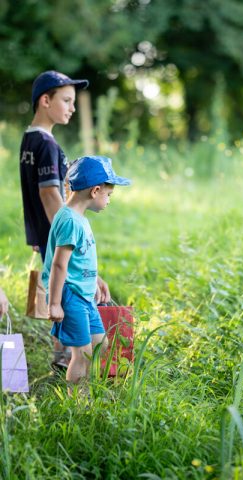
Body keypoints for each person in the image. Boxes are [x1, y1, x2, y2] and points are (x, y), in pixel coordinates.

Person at [19, 70, 110, 368]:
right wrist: (69, 229)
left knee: (55, 293)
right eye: (67, 100)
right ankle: (65, 360)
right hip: (58, 238)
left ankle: (63, 354)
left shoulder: (29, 141)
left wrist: (36, 234)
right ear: (45, 100)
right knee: (67, 293)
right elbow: (48, 195)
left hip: (44, 235)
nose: (72, 107)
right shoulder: (47, 145)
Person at [42, 156, 131, 386]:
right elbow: (59, 265)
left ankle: (88, 389)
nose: (109, 201)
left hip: (84, 295)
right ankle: (77, 401)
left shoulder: (77, 217)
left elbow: (76, 261)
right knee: (82, 354)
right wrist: (54, 303)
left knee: (100, 345)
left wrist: (95, 280)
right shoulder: (71, 221)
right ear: (95, 191)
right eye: (108, 195)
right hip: (71, 296)